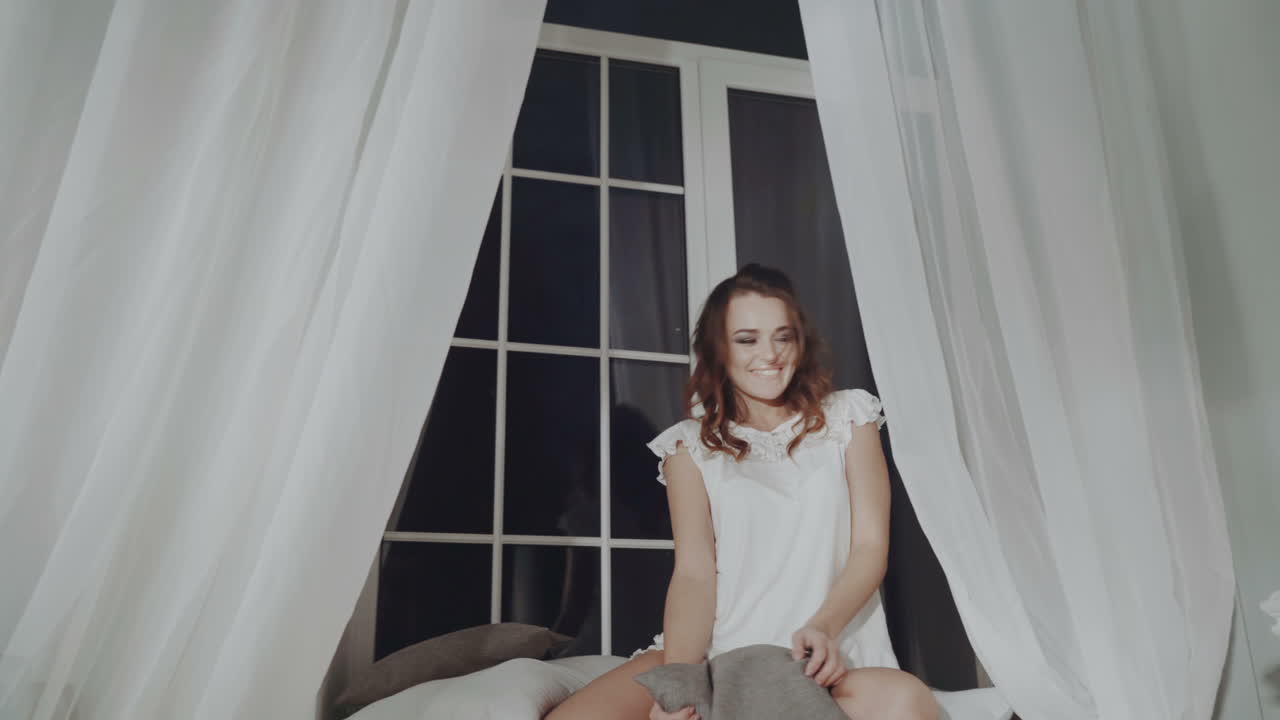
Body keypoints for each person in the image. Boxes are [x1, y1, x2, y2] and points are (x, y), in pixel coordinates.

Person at [546, 264, 938, 720]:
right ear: (718, 351)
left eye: (783, 337)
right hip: (719, 652)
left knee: (908, 701)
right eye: (747, 339)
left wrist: (822, 628)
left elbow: (870, 547)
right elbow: (695, 574)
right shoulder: (688, 447)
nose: (769, 354)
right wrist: (679, 684)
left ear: (800, 342)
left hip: (817, 655)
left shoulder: (849, 418)